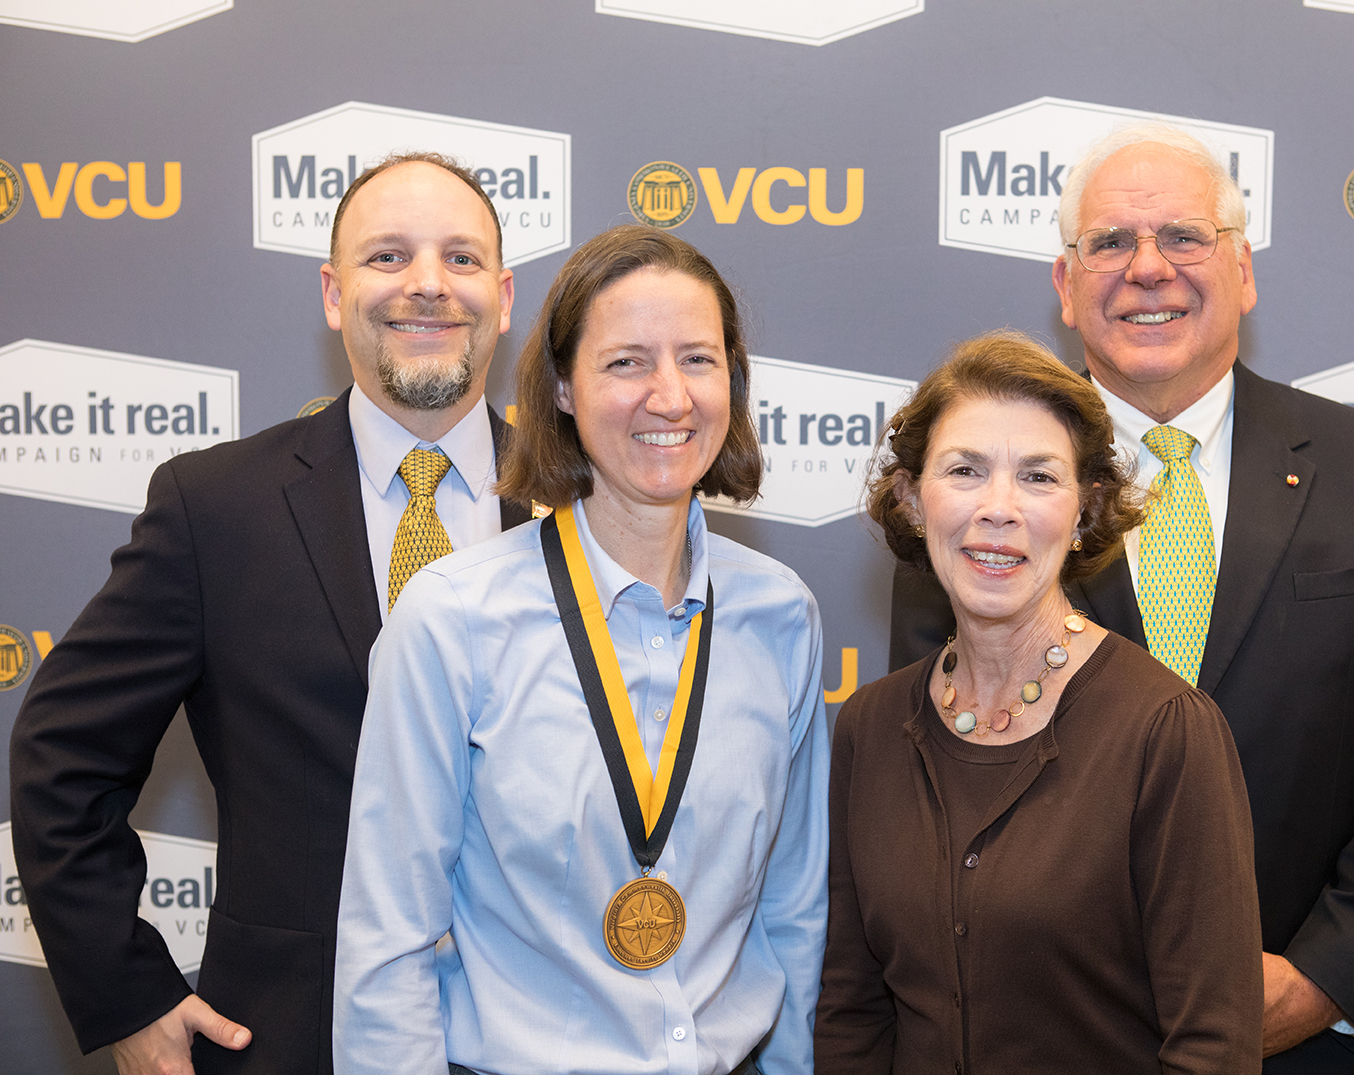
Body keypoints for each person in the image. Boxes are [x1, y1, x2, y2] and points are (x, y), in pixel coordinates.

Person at [889, 125, 1354, 1073]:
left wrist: (1319, 983)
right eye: (1109, 243)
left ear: (1242, 269)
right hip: (1053, 1037)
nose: (1146, 269)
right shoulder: (978, 502)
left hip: (1313, 1042)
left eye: (1182, 237)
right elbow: (934, 782)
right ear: (1063, 286)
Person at [9, 151, 528, 1075]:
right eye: (387, 256)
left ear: (504, 292)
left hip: (549, 1038)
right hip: (292, 1043)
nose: (426, 285)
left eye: (460, 258)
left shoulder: (587, 506)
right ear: (333, 294)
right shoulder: (214, 506)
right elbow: (61, 757)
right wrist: (127, 995)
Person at [332, 225, 828, 1075]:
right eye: (627, 361)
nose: (670, 396)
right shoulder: (454, 619)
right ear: (562, 387)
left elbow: (792, 912)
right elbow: (389, 944)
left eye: (698, 360)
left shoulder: (780, 613)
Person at [816, 332, 1263, 1074]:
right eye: (964, 470)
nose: (998, 509)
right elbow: (851, 1011)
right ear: (911, 498)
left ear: (1085, 510)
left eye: (1037, 477)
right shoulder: (869, 727)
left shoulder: (1163, 732)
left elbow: (1213, 1043)